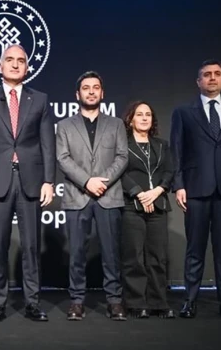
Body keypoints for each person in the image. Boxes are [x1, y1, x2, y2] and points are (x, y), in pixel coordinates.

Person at [0, 44, 56, 322]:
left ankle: (32, 303)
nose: (15, 64)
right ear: (0, 65)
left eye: (21, 60)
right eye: (10, 59)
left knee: (31, 246)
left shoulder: (40, 99)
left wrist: (49, 181)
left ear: (27, 67)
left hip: (31, 180)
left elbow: (48, 143)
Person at [170, 59, 221, 319]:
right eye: (207, 74)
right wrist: (179, 185)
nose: (212, 78)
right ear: (199, 81)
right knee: (195, 248)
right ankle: (190, 300)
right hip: (195, 189)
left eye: (217, 74)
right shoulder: (183, 112)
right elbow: (177, 151)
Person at [56, 71, 128, 321]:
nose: (91, 92)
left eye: (95, 87)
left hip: (109, 195)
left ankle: (114, 301)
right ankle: (77, 301)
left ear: (102, 93)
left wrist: (101, 182)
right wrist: (87, 182)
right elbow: (62, 158)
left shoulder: (116, 124)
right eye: (86, 88)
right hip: (78, 195)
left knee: (111, 253)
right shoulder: (64, 126)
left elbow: (122, 157)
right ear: (78, 94)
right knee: (77, 253)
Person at [119, 101, 174, 319]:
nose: (144, 118)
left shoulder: (161, 145)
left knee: (157, 257)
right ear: (130, 119)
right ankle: (136, 302)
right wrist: (140, 194)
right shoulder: (123, 145)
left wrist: (158, 191)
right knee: (134, 256)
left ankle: (159, 302)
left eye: (148, 114)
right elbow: (120, 173)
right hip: (131, 205)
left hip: (158, 205)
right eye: (139, 114)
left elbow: (169, 171)